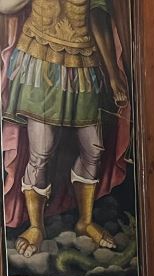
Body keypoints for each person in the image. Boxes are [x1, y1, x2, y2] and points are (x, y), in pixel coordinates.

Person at [2, 0, 132, 255]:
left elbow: (97, 15)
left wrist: (113, 75)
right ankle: (36, 227)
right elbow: (6, 7)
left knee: (93, 148)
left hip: (83, 62)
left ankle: (85, 221)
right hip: (41, 59)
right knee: (41, 151)